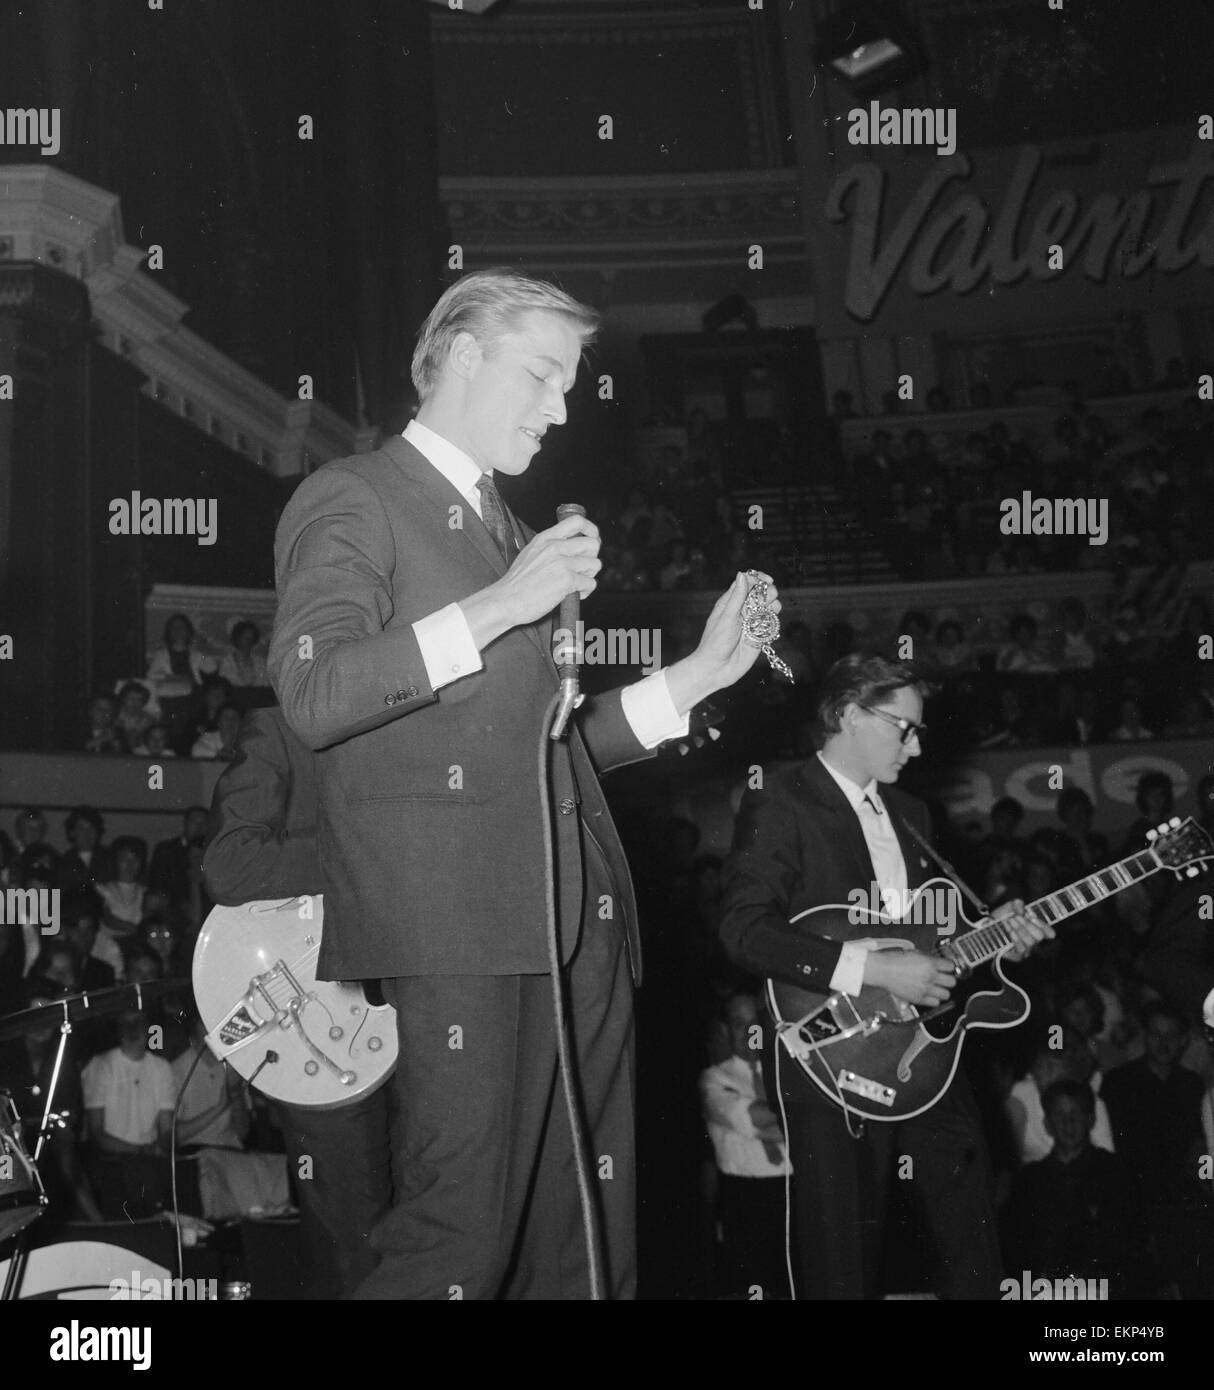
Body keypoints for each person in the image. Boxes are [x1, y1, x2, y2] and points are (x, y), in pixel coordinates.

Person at [267, 267, 775, 1300]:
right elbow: (314, 691)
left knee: (582, 1247)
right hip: (461, 925)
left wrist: (695, 678)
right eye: (542, 377)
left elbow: (556, 746)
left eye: (568, 387)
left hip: (573, 926)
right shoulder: (356, 495)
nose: (558, 410)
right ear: (459, 354)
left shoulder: (507, 530)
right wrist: (502, 605)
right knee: (459, 1241)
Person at [719, 653, 1052, 1299]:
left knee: (972, 1233)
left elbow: (932, 944)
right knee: (840, 1258)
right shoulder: (781, 799)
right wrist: (874, 970)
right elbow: (742, 930)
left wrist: (999, 939)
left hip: (927, 1051)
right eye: (905, 727)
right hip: (830, 1051)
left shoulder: (911, 814)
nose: (918, 744)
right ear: (847, 714)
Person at [203, 705, 394, 1298]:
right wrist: (365, 853)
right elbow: (229, 865)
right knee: (354, 1245)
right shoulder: (278, 730)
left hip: (438, 1006)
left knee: (452, 1219)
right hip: (328, 1013)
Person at [699, 991, 790, 1299]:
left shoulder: (787, 1077)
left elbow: (765, 1122)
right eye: (740, 1024)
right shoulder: (713, 1080)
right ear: (725, 1030)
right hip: (746, 1201)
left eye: (756, 1023)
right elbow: (751, 1117)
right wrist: (792, 1123)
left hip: (793, 1194)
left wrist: (770, 1123)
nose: (750, 1032)